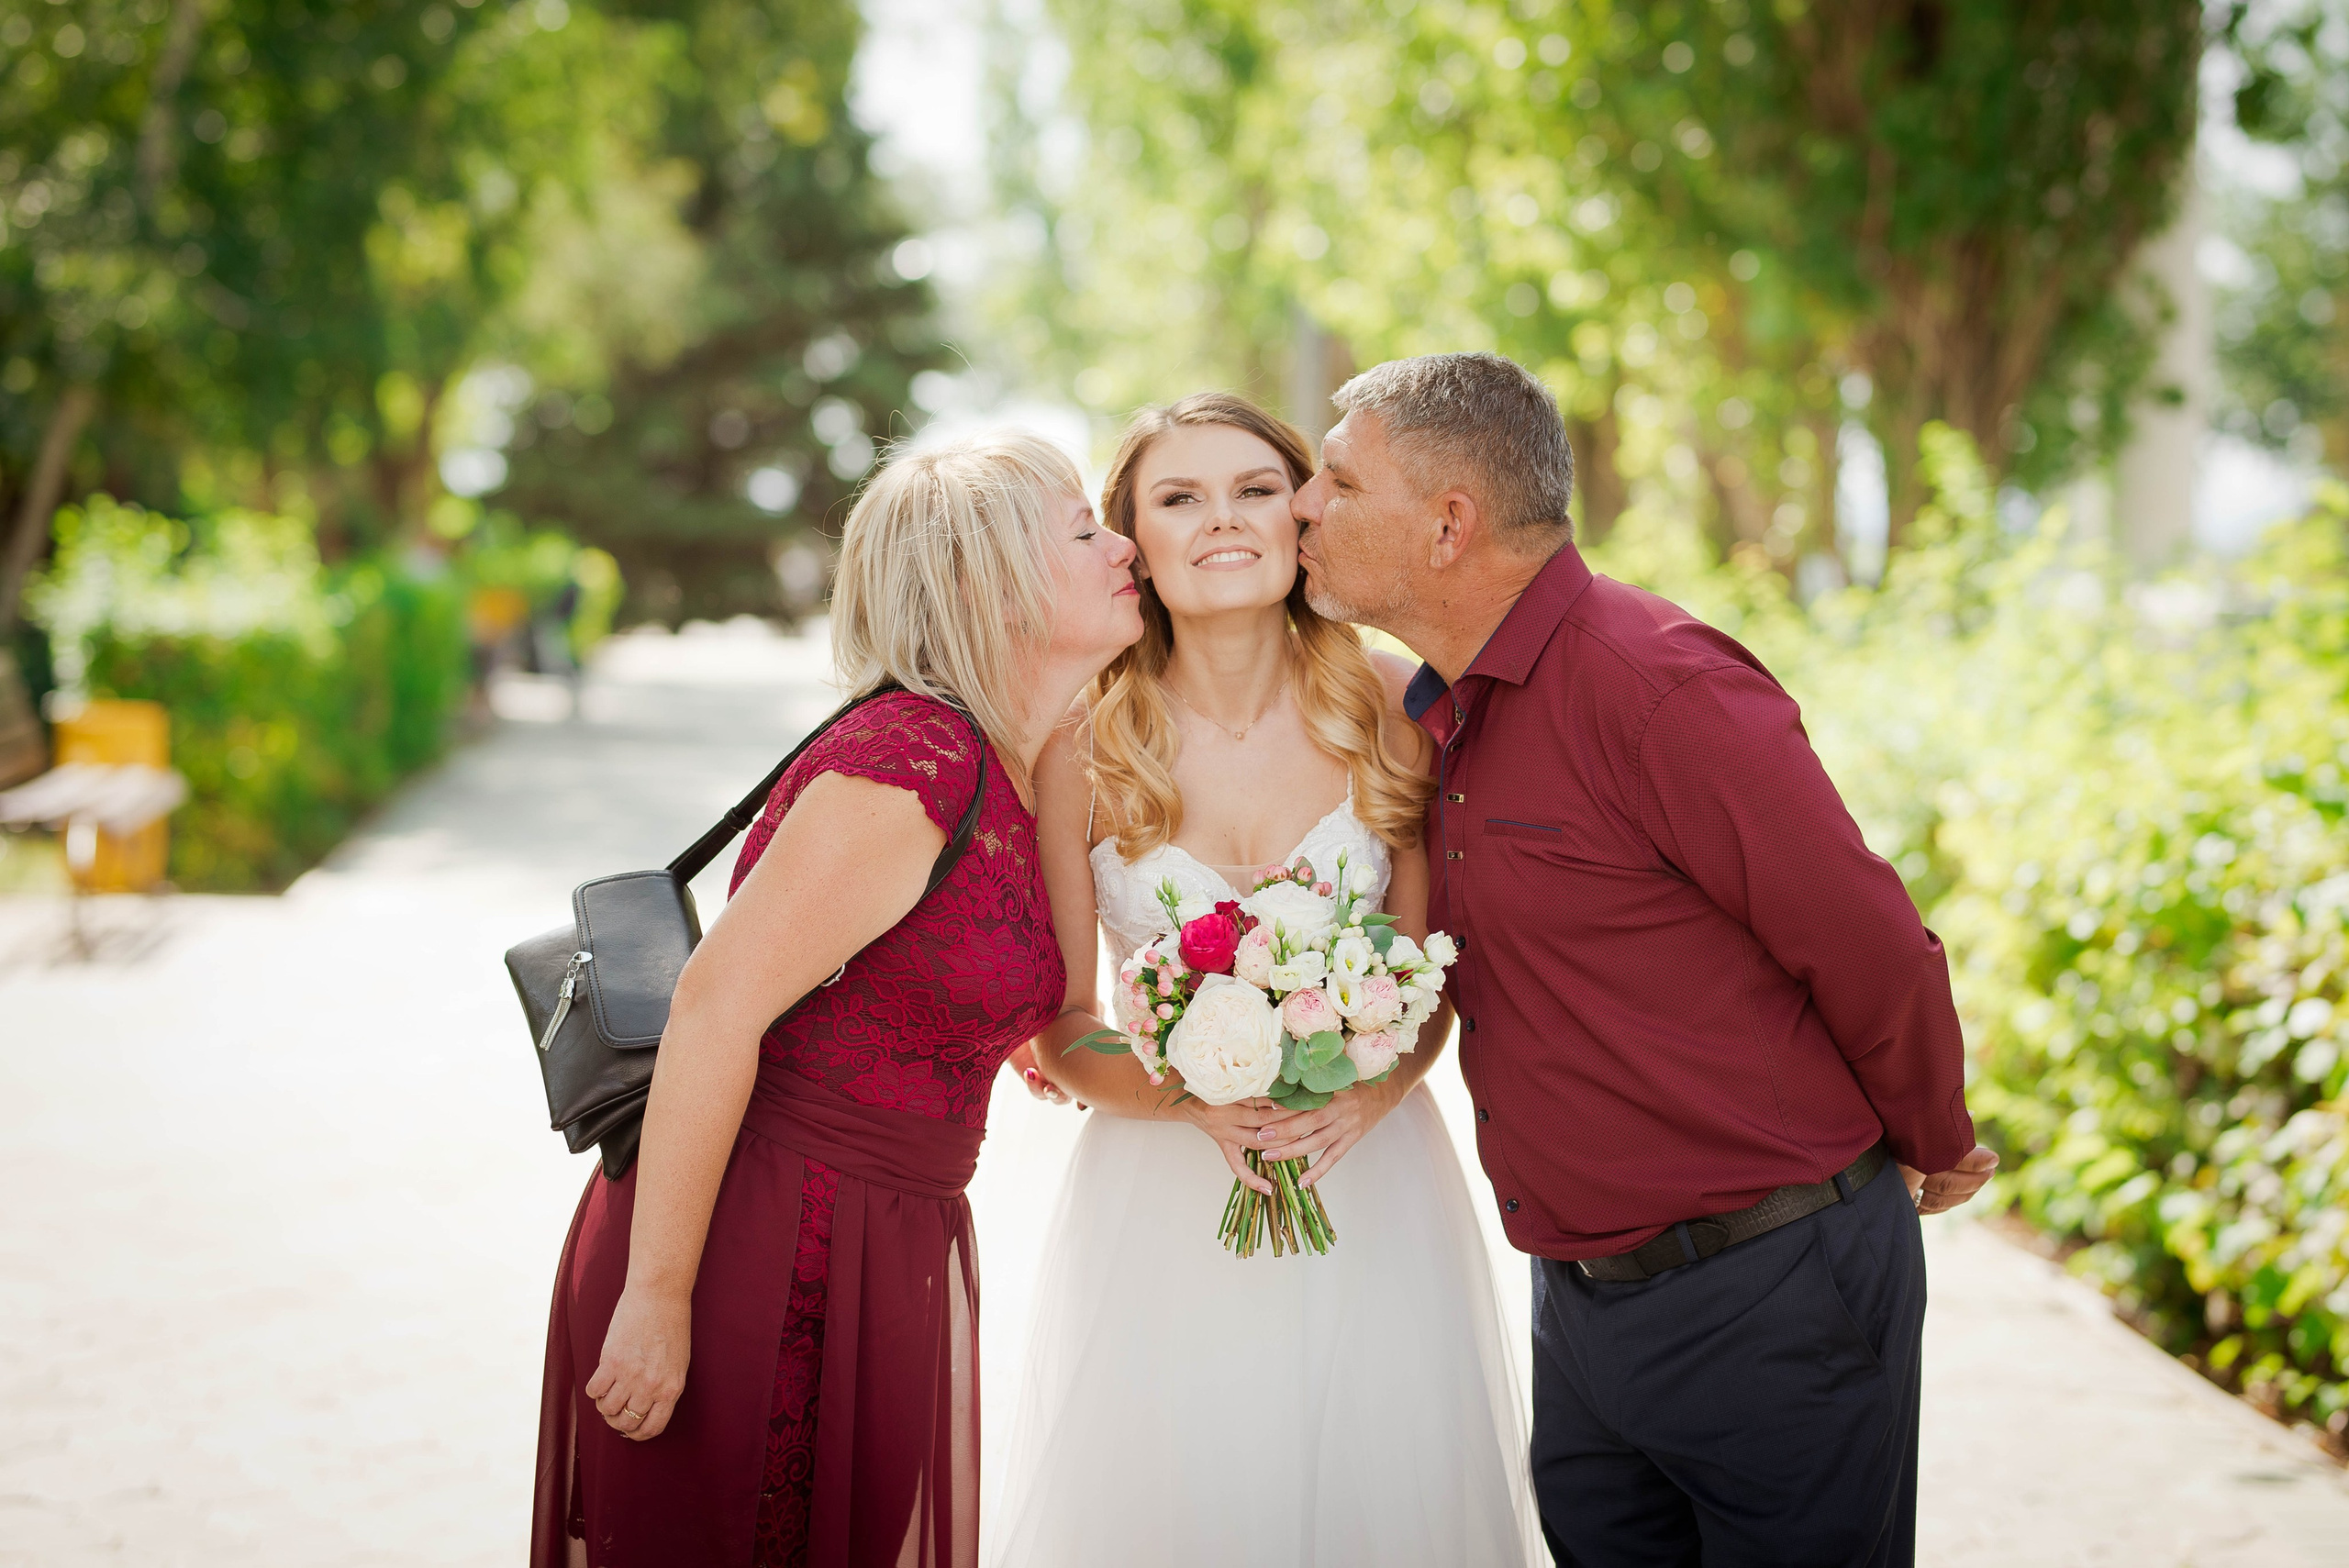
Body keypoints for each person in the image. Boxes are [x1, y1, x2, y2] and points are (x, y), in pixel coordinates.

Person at [1290, 350, 2001, 1568]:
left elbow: (1870, 938)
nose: (1304, 507)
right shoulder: (1438, 712)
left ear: (1449, 524)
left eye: (1337, 484)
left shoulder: (1655, 682)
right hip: (1581, 1310)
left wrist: (1934, 1139)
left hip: (1775, 1289)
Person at [531, 431, 1144, 1568]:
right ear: (984, 581)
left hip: (882, 1236)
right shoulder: (912, 758)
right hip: (755, 1240)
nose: (1125, 547)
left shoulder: (1010, 751)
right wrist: (659, 1297)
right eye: (1085, 532)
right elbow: (716, 1009)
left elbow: (966, 968)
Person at [991, 393, 1540, 1567]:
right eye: (1179, 498)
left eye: (1252, 489)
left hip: (1368, 1180)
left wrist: (1371, 1094)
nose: (1223, 519)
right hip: (1158, 1202)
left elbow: (1433, 970)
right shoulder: (1081, 740)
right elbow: (1061, 1030)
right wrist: (1190, 1101)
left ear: (1301, 520)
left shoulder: (1395, 703)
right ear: (1134, 537)